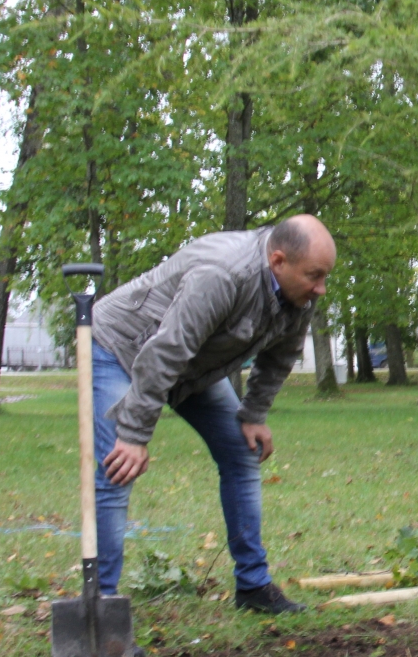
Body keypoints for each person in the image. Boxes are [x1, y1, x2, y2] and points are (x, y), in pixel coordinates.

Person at [89, 214, 336, 614]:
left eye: (325, 276)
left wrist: (254, 413)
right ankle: (100, 605)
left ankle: (253, 588)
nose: (321, 288)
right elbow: (166, 350)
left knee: (241, 453)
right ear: (278, 261)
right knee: (118, 468)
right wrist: (133, 434)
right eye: (314, 275)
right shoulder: (223, 275)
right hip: (122, 347)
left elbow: (281, 356)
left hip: (191, 365)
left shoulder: (300, 292)